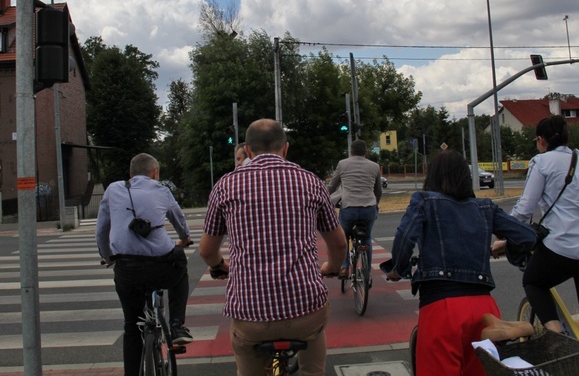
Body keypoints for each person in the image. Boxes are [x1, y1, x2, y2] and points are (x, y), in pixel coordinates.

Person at [199, 119, 347, 376]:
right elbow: (339, 242)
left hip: (251, 315)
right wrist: (332, 267)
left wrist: (221, 267)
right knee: (314, 350)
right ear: (286, 148)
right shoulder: (312, 182)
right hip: (305, 310)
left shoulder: (225, 185)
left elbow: (207, 251)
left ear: (250, 152)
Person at [382, 150, 537, 376]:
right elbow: (527, 236)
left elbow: (405, 238)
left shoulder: (424, 201)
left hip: (443, 308)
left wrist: (398, 269)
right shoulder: (486, 207)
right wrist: (504, 247)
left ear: (432, 177)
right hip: (485, 309)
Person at [492, 115, 579, 334]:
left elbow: (525, 209)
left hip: (562, 249)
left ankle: (557, 336)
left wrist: (505, 235)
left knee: (534, 282)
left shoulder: (542, 163)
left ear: (541, 140)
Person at [96, 153, 193, 376]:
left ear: (130, 174)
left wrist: (108, 255)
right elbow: (178, 220)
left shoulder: (113, 190)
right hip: (161, 266)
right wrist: (185, 238)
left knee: (131, 325)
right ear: (155, 173)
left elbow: (102, 229)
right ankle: (177, 324)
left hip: (127, 269)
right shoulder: (161, 190)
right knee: (180, 263)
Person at [327, 139, 382, 277]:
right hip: (369, 207)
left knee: (344, 237)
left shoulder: (343, 164)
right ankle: (367, 273)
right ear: (366, 153)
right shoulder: (375, 166)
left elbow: (333, 186)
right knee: (367, 238)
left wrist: (326, 199)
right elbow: (378, 190)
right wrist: (376, 204)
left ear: (351, 152)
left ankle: (345, 267)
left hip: (349, 207)